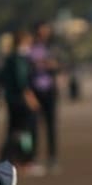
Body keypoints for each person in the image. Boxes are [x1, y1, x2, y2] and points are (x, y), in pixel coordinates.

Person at [0, 29, 41, 173]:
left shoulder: (9, 58)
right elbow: (22, 81)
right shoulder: (19, 59)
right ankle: (26, 160)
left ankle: (7, 159)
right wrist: (31, 99)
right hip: (21, 102)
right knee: (26, 132)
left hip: (12, 100)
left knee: (13, 131)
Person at [28, 21, 62, 172]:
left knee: (51, 126)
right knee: (33, 126)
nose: (44, 34)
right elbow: (27, 66)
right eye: (42, 31)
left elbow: (59, 65)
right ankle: (32, 157)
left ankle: (52, 157)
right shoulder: (30, 47)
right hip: (34, 90)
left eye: (46, 31)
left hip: (49, 90)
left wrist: (51, 65)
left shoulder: (52, 48)